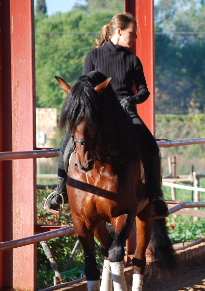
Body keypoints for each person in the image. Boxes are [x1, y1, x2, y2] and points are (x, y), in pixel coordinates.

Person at [45, 12, 169, 218]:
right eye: (133, 33)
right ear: (119, 32)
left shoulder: (132, 60)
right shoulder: (93, 56)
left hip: (126, 113)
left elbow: (144, 91)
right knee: (69, 141)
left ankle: (155, 197)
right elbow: (85, 87)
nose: (136, 37)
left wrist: (130, 100)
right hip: (99, 115)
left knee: (150, 144)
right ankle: (59, 191)